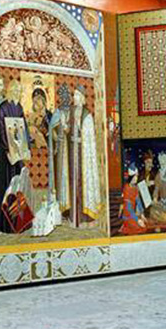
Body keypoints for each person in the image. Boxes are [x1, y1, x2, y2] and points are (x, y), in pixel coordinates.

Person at [0, 80, 30, 232]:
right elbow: (2, 131)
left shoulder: (19, 107)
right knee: (8, 186)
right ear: (10, 91)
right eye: (15, 90)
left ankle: (19, 222)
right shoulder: (3, 107)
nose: (17, 93)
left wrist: (26, 148)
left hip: (18, 153)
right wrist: (8, 150)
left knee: (19, 186)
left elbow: (24, 129)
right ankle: (6, 225)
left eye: (19, 91)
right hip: (7, 154)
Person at [67, 85, 101, 227]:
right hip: (72, 152)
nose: (74, 98)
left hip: (83, 154)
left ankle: (84, 218)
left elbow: (89, 137)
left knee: (82, 183)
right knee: (72, 182)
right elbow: (67, 130)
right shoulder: (71, 111)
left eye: (76, 95)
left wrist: (81, 139)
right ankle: (73, 217)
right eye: (74, 95)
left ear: (82, 97)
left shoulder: (87, 115)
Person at [48, 84, 72, 213]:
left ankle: (70, 206)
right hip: (61, 149)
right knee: (61, 176)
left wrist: (68, 128)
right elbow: (52, 129)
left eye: (66, 96)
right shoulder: (58, 112)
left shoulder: (72, 112)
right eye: (63, 97)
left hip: (70, 149)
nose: (65, 99)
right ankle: (61, 205)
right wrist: (56, 137)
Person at [119, 163, 148, 235]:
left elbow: (138, 201)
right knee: (139, 228)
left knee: (145, 224)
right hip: (128, 214)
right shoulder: (126, 189)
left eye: (137, 177)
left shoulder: (135, 188)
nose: (136, 179)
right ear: (130, 177)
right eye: (134, 177)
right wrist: (137, 220)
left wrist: (142, 215)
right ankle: (125, 225)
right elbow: (129, 208)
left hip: (134, 213)